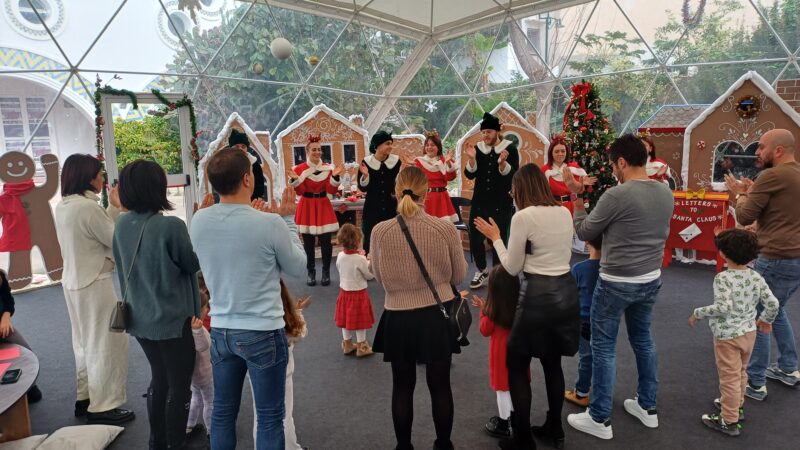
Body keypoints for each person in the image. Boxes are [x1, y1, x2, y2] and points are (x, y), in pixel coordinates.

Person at [190, 147, 306, 450]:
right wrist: (289, 220)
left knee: (223, 414)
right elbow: (298, 267)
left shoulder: (199, 221)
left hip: (221, 330)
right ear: (247, 179)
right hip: (263, 331)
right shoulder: (269, 223)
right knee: (269, 417)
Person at [566, 134, 673, 440]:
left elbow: (586, 231)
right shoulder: (665, 192)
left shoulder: (617, 195)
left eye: (613, 165)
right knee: (643, 341)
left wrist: (577, 197)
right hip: (651, 278)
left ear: (622, 162)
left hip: (615, 282)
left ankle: (599, 418)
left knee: (603, 348)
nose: (613, 170)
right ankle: (647, 407)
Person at [475, 163, 578, 450]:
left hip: (537, 294)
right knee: (553, 363)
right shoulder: (564, 212)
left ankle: (522, 438)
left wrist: (496, 238)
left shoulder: (523, 216)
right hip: (566, 292)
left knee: (517, 365)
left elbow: (511, 267)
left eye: (513, 189)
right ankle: (555, 428)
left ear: (521, 189)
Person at [370, 166, 468, 450]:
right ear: (427, 192)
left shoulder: (379, 231)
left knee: (402, 388)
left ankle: (404, 446)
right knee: (440, 387)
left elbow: (377, 274)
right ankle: (443, 444)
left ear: (396, 191)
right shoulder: (444, 228)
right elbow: (459, 276)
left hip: (397, 318)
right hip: (436, 316)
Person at [113, 160, 200, 449]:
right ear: (158, 187)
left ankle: (157, 441)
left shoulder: (122, 223)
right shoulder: (170, 226)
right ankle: (175, 443)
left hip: (139, 317)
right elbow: (192, 263)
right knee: (179, 384)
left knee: (159, 378)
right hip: (174, 319)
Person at [54, 153, 133, 424]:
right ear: (89, 178)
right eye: (100, 175)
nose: (103, 180)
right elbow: (115, 240)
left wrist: (112, 208)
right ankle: (104, 405)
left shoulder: (65, 206)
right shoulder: (88, 209)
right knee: (106, 343)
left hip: (73, 283)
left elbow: (95, 236)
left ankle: (85, 397)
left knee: (82, 343)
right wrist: (121, 209)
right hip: (95, 284)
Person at [724, 128, 800, 399]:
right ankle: (789, 368)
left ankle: (755, 383)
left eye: (762, 147)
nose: (757, 152)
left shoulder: (772, 175)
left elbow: (744, 217)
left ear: (778, 150)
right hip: (795, 259)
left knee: (758, 318)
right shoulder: (795, 173)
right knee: (775, 311)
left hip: (775, 258)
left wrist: (741, 193)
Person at [688, 229, 779, 436]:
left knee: (728, 378)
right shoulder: (755, 276)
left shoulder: (723, 278)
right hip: (749, 333)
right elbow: (773, 303)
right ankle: (736, 406)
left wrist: (698, 313)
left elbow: (723, 307)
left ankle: (729, 420)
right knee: (741, 372)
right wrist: (765, 319)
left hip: (727, 336)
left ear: (723, 253)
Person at [465, 112, 519, 289]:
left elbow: (513, 176)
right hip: (480, 202)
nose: (485, 135)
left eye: (488, 132)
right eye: (483, 132)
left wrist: (503, 163)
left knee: (499, 239)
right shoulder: (478, 148)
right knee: (474, 238)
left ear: (497, 132)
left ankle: (498, 273)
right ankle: (482, 269)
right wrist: (472, 159)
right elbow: (469, 174)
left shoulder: (510, 149)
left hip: (500, 203)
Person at [471, 266, 523, 440]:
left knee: (502, 391)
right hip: (519, 354)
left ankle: (503, 423)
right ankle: (517, 420)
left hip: (500, 358)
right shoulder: (520, 307)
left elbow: (485, 330)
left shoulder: (494, 313)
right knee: (518, 387)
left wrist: (484, 311)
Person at [288, 134, 342, 286]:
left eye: (319, 149)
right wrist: (295, 179)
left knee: (326, 242)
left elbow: (331, 189)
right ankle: (311, 272)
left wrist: (336, 177)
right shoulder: (299, 169)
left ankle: (325, 272)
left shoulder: (328, 168)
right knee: (308, 243)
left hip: (323, 204)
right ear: (307, 151)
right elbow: (299, 191)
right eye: (314, 150)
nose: (317, 152)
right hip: (307, 205)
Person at [564, 235, 602, 408]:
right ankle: (602, 392)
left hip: (584, 320)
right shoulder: (610, 269)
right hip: (605, 319)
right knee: (605, 355)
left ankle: (581, 393)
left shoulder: (579, 268)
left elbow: (570, 295)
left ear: (587, 242)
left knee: (586, 357)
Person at [0, 269, 42, 403]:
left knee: (25, 351)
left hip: (2, 326)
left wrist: (6, 317)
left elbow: (8, 301)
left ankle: (28, 387)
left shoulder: (1, 276)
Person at [335, 223, 375, 357]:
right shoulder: (360, 259)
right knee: (360, 321)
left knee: (346, 320)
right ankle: (362, 347)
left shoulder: (340, 256)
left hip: (344, 293)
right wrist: (368, 261)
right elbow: (369, 276)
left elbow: (339, 268)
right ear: (358, 241)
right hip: (359, 293)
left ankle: (347, 345)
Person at [359, 130, 401, 254]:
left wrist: (403, 172)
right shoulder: (366, 162)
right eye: (387, 143)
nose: (390, 146)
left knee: (392, 239)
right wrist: (365, 176)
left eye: (391, 143)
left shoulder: (396, 162)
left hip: (391, 208)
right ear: (377, 145)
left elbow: (398, 185)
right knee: (370, 240)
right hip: (372, 208)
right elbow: (362, 188)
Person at [280, 280, 311, 450]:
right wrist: (298, 312)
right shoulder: (285, 323)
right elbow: (299, 333)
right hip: (282, 373)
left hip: (256, 369)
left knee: (261, 415)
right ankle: (292, 447)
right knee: (285, 415)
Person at [404, 130, 459, 222]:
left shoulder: (444, 160)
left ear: (438, 147)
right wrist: (410, 166)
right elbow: (412, 181)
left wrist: (448, 162)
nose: (429, 147)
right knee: (425, 226)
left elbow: (450, 177)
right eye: (427, 145)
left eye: (432, 145)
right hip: (425, 198)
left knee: (443, 228)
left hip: (441, 198)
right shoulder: (418, 161)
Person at [540, 135, 596, 215]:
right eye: (556, 151)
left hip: (573, 206)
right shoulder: (545, 170)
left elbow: (581, 191)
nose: (560, 154)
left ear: (567, 152)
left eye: (563, 151)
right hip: (554, 207)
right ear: (551, 153)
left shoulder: (575, 168)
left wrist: (582, 185)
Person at [186, 287, 213, 440]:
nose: (207, 310)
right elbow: (202, 347)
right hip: (206, 375)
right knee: (210, 402)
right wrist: (198, 331)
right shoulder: (198, 329)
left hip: (193, 375)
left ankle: (189, 425)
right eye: (205, 307)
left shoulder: (185, 328)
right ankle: (211, 430)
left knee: (195, 399)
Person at [229, 128, 268, 201]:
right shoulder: (226, 164)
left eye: (243, 147)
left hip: (251, 201)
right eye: (236, 146)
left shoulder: (254, 164)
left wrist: (256, 199)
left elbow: (259, 184)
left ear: (247, 148)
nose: (240, 149)